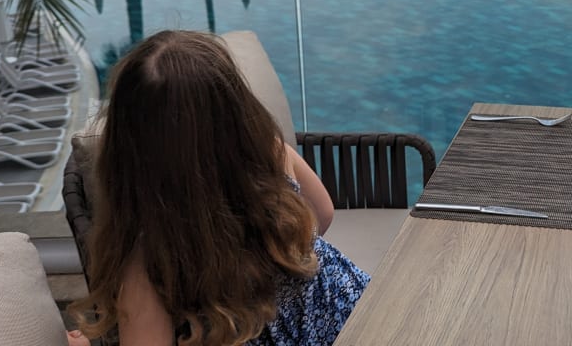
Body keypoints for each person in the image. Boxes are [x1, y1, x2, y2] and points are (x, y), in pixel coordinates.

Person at [70, 30, 368, 346]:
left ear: (125, 151)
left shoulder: (148, 266)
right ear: (239, 114)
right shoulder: (271, 153)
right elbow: (323, 213)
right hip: (363, 314)